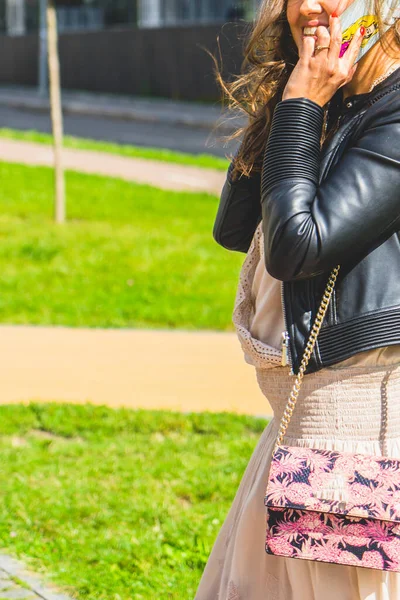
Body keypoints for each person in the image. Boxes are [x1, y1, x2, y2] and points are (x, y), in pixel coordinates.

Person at [195, 0, 400, 598]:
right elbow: (235, 227)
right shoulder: (334, 100)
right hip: (299, 418)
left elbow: (295, 246)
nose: (308, 6)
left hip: (355, 422)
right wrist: (290, 105)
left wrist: (303, 106)